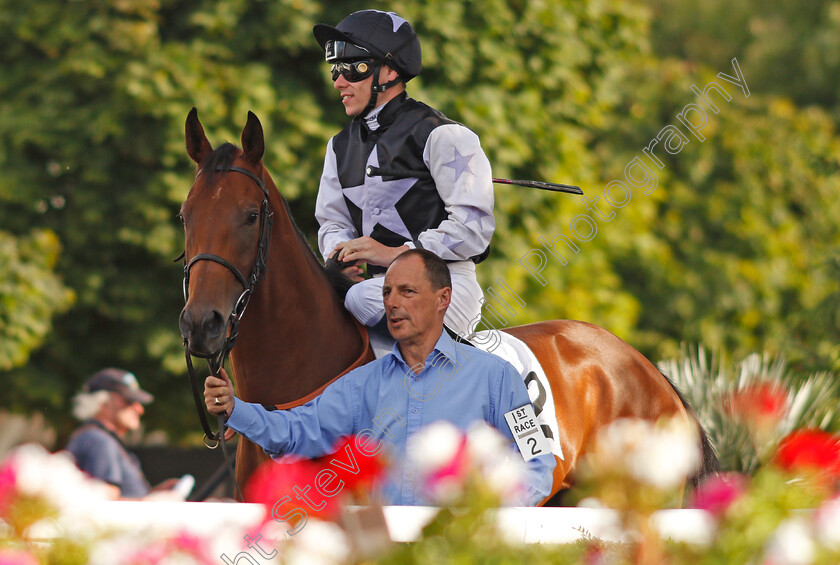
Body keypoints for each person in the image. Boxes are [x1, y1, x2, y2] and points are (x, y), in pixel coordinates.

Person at [205, 249, 555, 505]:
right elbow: (296, 431)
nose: (391, 302)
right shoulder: (362, 385)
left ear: (443, 298)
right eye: (387, 292)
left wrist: (495, 518)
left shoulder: (496, 377)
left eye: (407, 291)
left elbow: (537, 461)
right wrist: (235, 408)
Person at [313, 9, 495, 338]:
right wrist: (342, 254)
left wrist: (397, 254)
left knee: (360, 298)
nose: (339, 81)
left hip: (445, 287)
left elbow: (474, 228)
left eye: (352, 69)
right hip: (375, 289)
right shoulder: (338, 146)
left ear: (389, 71)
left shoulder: (445, 136)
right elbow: (332, 222)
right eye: (336, 70)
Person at [65, 368, 182, 499]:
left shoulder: (96, 437)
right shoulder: (99, 440)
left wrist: (153, 495)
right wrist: (151, 503)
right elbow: (104, 500)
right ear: (103, 403)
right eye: (129, 401)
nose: (139, 409)